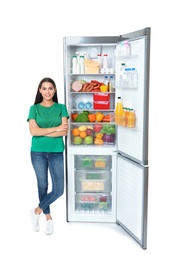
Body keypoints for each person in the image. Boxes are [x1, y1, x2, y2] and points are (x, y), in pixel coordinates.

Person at [27, 77, 69, 235]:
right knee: (43, 185)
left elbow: (64, 132)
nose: (47, 91)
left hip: (56, 152)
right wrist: (56, 128)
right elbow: (33, 132)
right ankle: (48, 218)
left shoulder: (61, 107)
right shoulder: (34, 108)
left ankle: (36, 211)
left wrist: (44, 131)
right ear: (39, 90)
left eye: (50, 88)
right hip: (37, 152)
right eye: (44, 88)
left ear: (55, 90)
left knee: (58, 190)